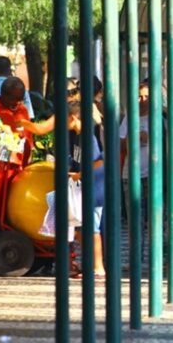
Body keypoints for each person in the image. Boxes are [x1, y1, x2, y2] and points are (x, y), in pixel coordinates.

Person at [67, 99, 107, 278]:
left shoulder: (87, 138)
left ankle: (98, 267)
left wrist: (77, 175)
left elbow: (97, 162)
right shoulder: (78, 136)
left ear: (74, 118)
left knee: (92, 229)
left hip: (94, 189)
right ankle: (90, 264)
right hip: (83, 189)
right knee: (82, 229)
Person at [119, 82, 150, 229]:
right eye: (139, 96)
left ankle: (154, 252)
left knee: (154, 222)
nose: (143, 100)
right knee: (135, 223)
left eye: (146, 96)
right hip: (130, 175)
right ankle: (136, 252)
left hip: (153, 175)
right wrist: (134, 137)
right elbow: (119, 144)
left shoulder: (159, 118)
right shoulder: (128, 119)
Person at [0, 77, 33, 166]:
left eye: (21, 98)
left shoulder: (23, 110)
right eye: (15, 98)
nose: (18, 102)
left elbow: (29, 139)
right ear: (3, 95)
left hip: (18, 171)